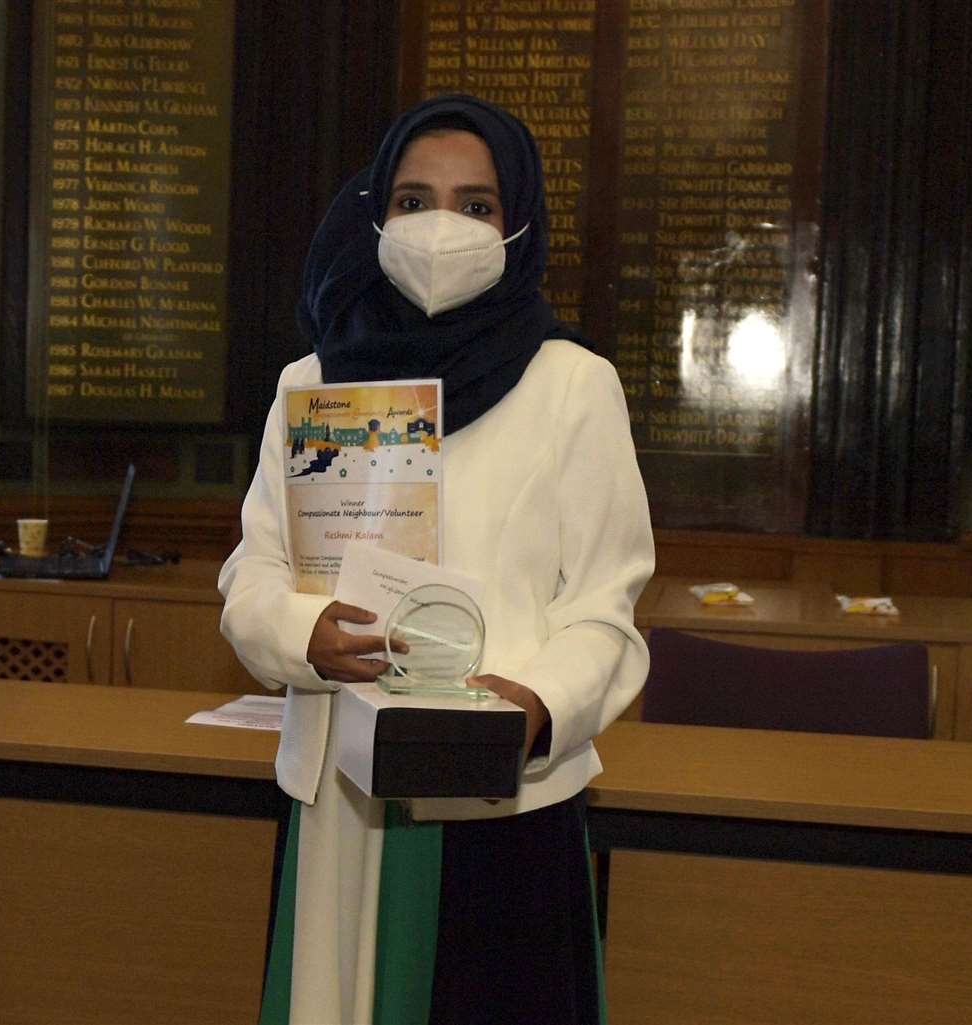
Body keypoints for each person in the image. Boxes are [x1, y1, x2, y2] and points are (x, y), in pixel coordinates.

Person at [219, 94, 654, 1025]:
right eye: (414, 201)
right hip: (342, 792)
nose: (441, 227)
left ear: (519, 224)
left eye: (476, 204)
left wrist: (536, 706)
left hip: (504, 799)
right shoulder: (313, 382)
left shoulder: (572, 383)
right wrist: (304, 631)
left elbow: (605, 609)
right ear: (376, 214)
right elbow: (249, 577)